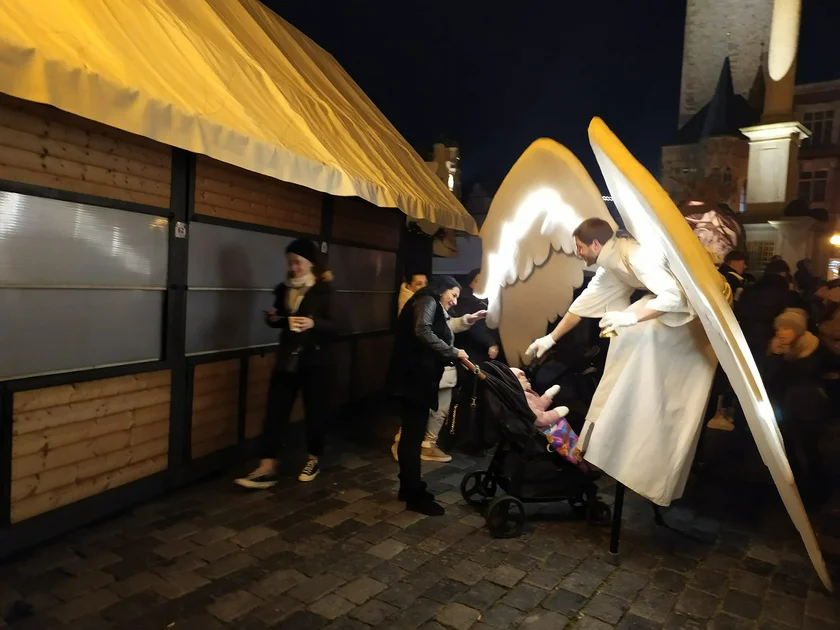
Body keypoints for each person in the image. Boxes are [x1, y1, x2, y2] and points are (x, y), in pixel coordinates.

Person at [526, 218, 717, 507]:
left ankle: (640, 436)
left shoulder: (636, 256)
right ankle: (612, 437)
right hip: (666, 316)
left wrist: (631, 317)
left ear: (595, 244)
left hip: (687, 322)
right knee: (621, 346)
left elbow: (675, 296)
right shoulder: (613, 264)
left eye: (579, 247)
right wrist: (551, 338)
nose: (578, 253)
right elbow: (583, 305)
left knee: (633, 338)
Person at [235, 239, 336, 488]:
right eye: (290, 262)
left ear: (310, 262)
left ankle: (314, 458)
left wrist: (314, 324)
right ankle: (267, 465)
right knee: (275, 410)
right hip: (288, 357)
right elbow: (283, 319)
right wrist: (274, 318)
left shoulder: (324, 290)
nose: (294, 267)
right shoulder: (283, 288)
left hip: (316, 358)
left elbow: (337, 325)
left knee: (315, 411)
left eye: (298, 262)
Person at [389, 276, 485, 515]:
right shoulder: (427, 299)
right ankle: (413, 494)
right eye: (453, 295)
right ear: (441, 290)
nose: (454, 301)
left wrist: (466, 321)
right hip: (413, 379)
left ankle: (409, 486)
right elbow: (422, 330)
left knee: (412, 435)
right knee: (412, 437)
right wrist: (454, 352)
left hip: (415, 378)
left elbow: (442, 328)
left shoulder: (433, 305)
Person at [764, 308, 829, 499]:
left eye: (787, 328)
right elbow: (768, 378)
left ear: (798, 330)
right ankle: (792, 490)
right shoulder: (775, 348)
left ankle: (816, 490)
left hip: (809, 408)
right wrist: (776, 355)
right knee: (786, 448)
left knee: (809, 448)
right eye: (779, 328)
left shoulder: (814, 347)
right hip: (783, 408)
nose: (781, 332)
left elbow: (816, 374)